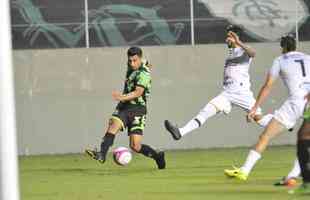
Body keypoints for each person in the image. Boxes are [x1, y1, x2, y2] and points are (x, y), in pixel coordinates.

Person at [224, 35, 310, 186]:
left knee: (266, 136)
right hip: (307, 99)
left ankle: (245, 170)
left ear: (282, 47)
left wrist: (255, 108)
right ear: (296, 45)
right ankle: (292, 176)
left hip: (295, 103)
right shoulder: (307, 58)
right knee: (304, 138)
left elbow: (268, 86)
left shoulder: (280, 60)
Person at [164, 25, 273, 141]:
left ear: (235, 37)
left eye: (229, 37)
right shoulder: (231, 54)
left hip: (242, 92)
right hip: (227, 93)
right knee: (206, 111)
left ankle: (283, 121)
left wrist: (238, 42)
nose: (226, 40)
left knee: (260, 120)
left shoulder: (243, 50)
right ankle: (180, 132)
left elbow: (253, 53)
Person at [85, 46, 166, 169]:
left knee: (135, 146)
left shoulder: (144, 74)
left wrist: (122, 97)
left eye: (135, 61)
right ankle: (102, 154)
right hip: (124, 107)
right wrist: (148, 64)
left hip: (138, 109)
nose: (132, 63)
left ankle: (157, 156)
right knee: (113, 124)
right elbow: (148, 63)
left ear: (139, 59)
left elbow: (138, 92)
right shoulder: (135, 63)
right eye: (130, 61)